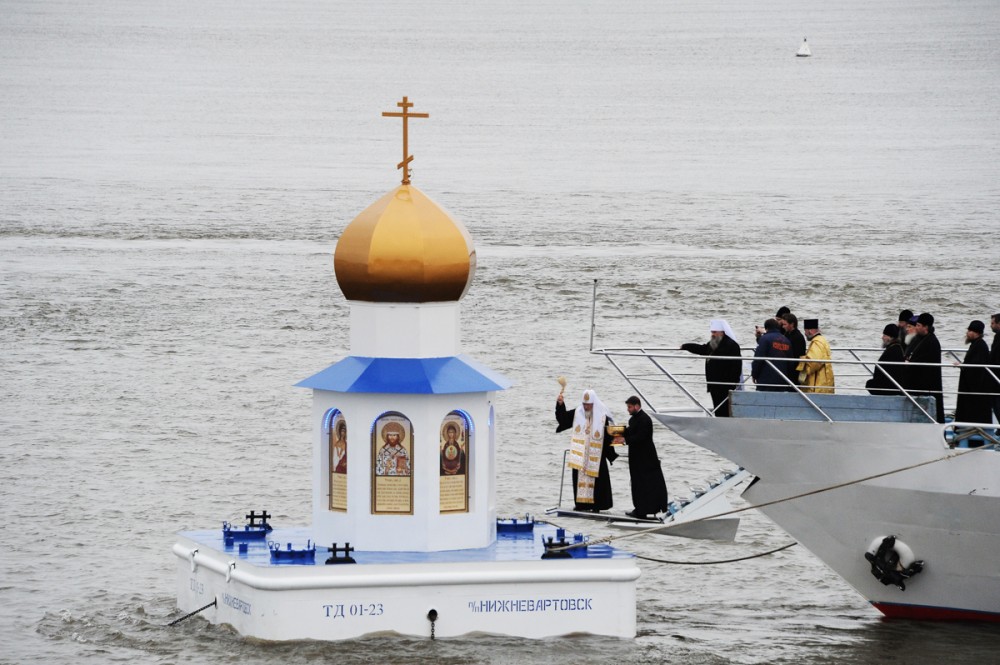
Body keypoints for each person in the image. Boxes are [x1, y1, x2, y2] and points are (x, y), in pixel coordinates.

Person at [555, 389, 617, 511]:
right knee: (580, 481)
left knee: (598, 483)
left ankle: (597, 506)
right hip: (581, 455)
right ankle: (581, 505)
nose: (586, 407)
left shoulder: (603, 417)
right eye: (584, 404)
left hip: (596, 455)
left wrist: (612, 451)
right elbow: (563, 420)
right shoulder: (578, 413)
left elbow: (611, 435)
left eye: (588, 404)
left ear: (594, 403)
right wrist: (560, 404)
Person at [614, 396, 669, 519]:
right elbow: (630, 431)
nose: (628, 409)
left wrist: (625, 440)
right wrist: (614, 431)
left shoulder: (645, 419)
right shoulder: (634, 419)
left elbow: (641, 437)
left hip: (646, 458)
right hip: (637, 458)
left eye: (629, 407)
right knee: (637, 483)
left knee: (645, 484)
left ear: (637, 406)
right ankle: (639, 508)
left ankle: (643, 510)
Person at [680, 319, 743, 416]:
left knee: (725, 410)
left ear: (722, 332)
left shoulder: (731, 345)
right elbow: (703, 349)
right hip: (714, 385)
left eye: (714, 332)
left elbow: (737, 366)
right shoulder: (714, 342)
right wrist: (686, 346)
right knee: (718, 409)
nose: (713, 334)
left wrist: (733, 383)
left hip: (725, 384)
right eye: (712, 332)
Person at [904, 312, 945, 423]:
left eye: (918, 325)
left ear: (926, 327)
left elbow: (923, 361)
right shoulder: (919, 339)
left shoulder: (932, 342)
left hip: (927, 385)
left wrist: (910, 362)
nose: (916, 328)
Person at [954, 320, 992, 424]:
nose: (967, 333)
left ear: (976, 333)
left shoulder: (980, 346)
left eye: (970, 330)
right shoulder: (976, 344)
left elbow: (976, 368)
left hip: (974, 390)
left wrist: (963, 366)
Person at [752, 318, 794, 391]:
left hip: (766, 380)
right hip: (783, 380)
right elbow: (791, 363)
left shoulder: (764, 339)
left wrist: (754, 374)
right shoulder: (786, 341)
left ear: (766, 328)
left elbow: (758, 359)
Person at [797, 319, 835, 393]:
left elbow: (812, 363)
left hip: (818, 384)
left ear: (809, 331)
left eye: (805, 331)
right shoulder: (822, 340)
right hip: (824, 381)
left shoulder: (817, 343)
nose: (805, 334)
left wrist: (801, 361)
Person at [866, 324, 906, 395]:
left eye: (884, 335)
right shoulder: (896, 348)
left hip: (889, 387)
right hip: (892, 385)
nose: (882, 338)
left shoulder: (893, 350)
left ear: (890, 337)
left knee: (869, 384)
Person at [780, 313, 807, 380]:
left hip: (794, 370)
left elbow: (797, 355)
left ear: (792, 324)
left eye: (785, 324)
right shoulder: (787, 334)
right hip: (788, 368)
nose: (783, 326)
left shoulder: (797, 337)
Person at [991, 314, 1000, 424]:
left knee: (996, 400)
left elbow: (995, 355)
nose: (991, 326)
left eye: (993, 323)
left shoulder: (998, 336)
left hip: (996, 374)